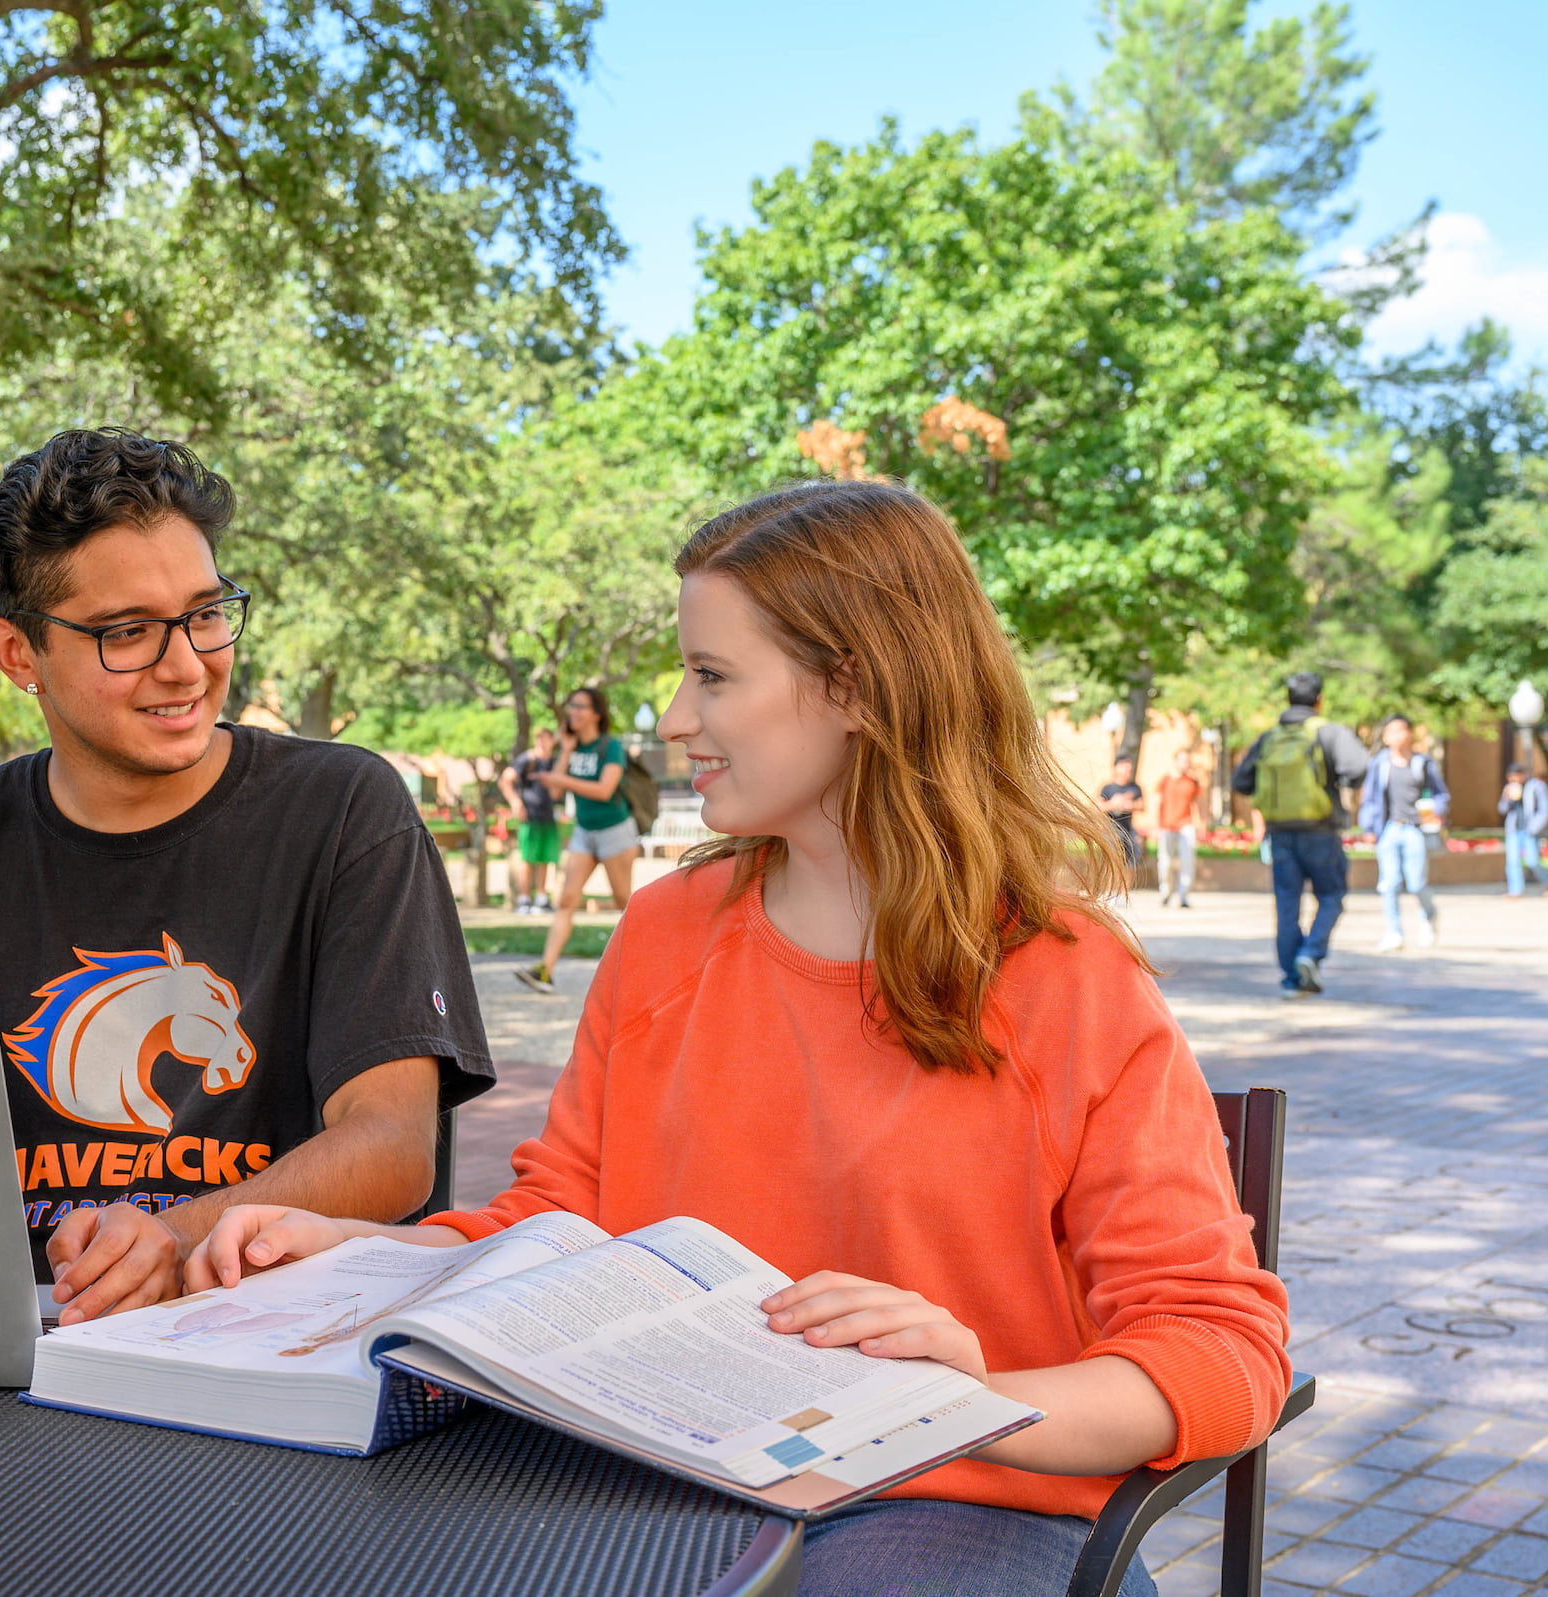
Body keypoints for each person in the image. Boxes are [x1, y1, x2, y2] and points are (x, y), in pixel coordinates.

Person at [194, 481, 1284, 1597]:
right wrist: (361, 1254)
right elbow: (559, 1221)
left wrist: (968, 1393)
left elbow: (1223, 1356)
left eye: (711, 676)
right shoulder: (667, 931)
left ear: (856, 685)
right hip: (657, 1482)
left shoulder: (1069, 979)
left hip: (951, 1501)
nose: (671, 718)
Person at [0, 428, 493, 1324]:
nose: (186, 665)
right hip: (12, 1342)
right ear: (18, 654)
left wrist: (172, 1238)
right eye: (126, 633)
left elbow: (392, 1144)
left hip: (265, 1336)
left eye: (206, 613)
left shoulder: (345, 809)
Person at [1231, 672, 1369, 999]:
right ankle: (1311, 953)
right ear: (1319, 699)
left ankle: (1293, 978)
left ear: (1288, 699)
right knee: (1332, 895)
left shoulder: (1269, 738)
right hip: (1320, 831)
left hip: (1280, 833)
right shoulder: (1329, 732)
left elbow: (1241, 781)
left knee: (1287, 904)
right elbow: (1358, 768)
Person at [514, 686, 639, 994]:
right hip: (585, 831)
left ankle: (643, 971)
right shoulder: (570, 749)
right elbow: (555, 793)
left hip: (615, 831)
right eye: (571, 706)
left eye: (580, 706)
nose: (573, 711)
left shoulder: (610, 747)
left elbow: (604, 790)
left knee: (627, 903)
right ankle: (545, 970)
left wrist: (562, 779)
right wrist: (566, 751)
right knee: (566, 900)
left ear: (596, 713)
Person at [1357, 715, 1448, 952]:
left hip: (1415, 828)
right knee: (1389, 883)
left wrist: (1434, 809)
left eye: (1401, 730)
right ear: (1386, 737)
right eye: (1392, 732)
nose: (1397, 736)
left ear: (1410, 734)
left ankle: (1428, 915)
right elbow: (1370, 798)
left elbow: (1441, 795)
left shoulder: (1422, 763)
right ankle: (1394, 932)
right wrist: (1368, 827)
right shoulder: (1379, 764)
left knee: (1417, 883)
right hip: (1389, 828)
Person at [501, 725, 562, 915]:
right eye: (539, 738)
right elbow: (505, 779)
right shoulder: (528, 759)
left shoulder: (554, 761)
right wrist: (515, 802)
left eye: (545, 738)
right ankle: (524, 899)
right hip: (529, 817)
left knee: (545, 859)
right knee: (527, 858)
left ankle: (541, 898)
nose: (542, 742)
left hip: (548, 816)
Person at [1154, 747, 1204, 908]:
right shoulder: (1165, 780)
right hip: (1167, 826)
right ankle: (1166, 892)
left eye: (1187, 761)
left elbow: (1198, 803)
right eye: (1182, 760)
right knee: (1165, 862)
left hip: (1186, 825)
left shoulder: (1192, 782)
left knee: (1187, 860)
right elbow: (1158, 802)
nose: (1185, 764)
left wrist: (1201, 824)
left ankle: (1183, 895)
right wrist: (1156, 826)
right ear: (1176, 761)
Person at [1500, 761, 1548, 898]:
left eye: (1516, 776)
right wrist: (1507, 798)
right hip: (1514, 829)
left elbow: (1545, 809)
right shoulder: (1509, 789)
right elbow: (1501, 810)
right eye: (1511, 777)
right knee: (1512, 861)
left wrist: (1535, 827)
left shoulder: (1536, 786)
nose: (1514, 780)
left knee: (1533, 860)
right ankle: (1515, 891)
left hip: (1530, 830)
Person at [1097, 756, 1143, 868]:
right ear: (1117, 768)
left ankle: (1127, 886)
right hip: (1111, 830)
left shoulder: (1134, 788)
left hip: (1128, 829)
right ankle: (1112, 885)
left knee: (1131, 862)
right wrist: (1113, 803)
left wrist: (1130, 805)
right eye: (1126, 768)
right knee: (1112, 863)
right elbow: (1098, 807)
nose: (1128, 771)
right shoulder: (1107, 788)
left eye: (1130, 769)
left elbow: (1142, 805)